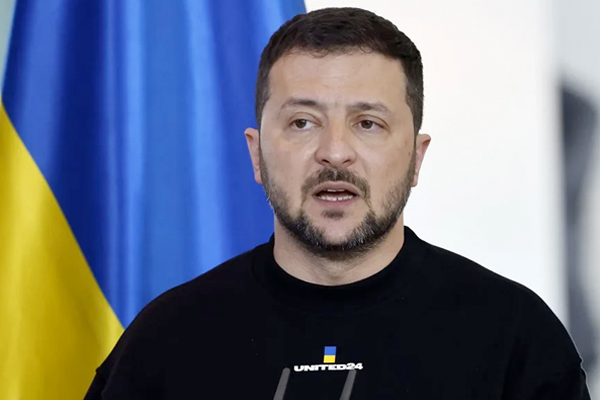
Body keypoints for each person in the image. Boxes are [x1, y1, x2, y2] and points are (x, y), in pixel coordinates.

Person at [84, 7, 590, 399]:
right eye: (302, 122)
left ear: (416, 158)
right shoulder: (166, 341)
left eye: (368, 123)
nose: (334, 151)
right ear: (256, 154)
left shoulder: (514, 338)